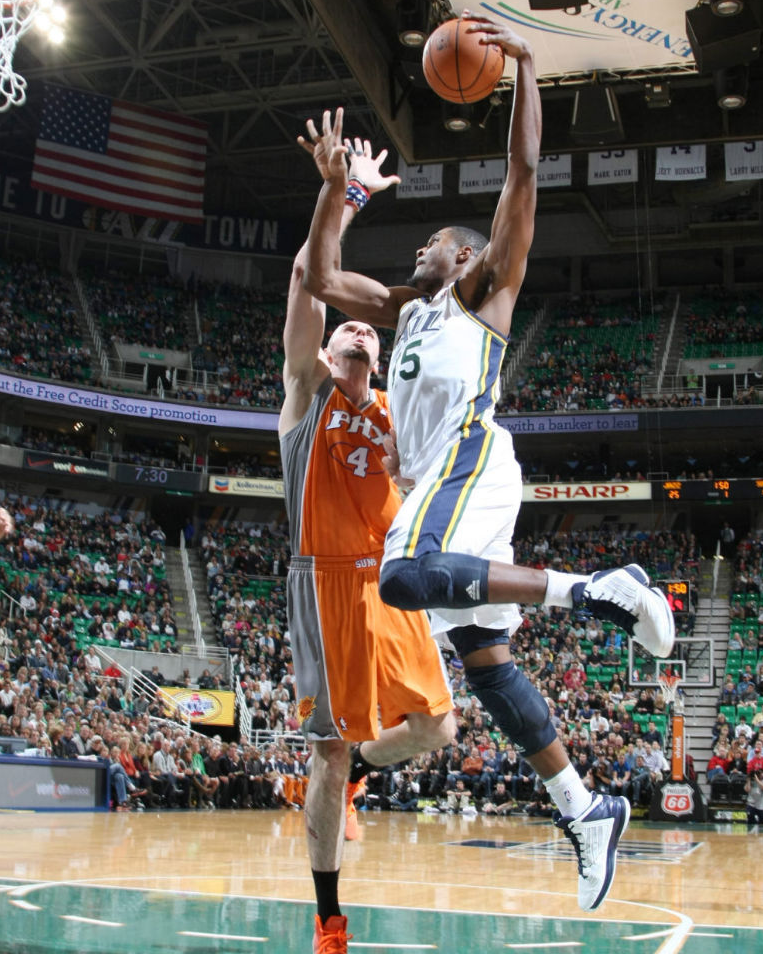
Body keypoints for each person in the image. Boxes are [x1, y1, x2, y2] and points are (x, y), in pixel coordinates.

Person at [299, 9, 675, 914]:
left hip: (469, 463)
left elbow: (523, 172)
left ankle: (600, 590)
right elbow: (318, 277)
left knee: (402, 575)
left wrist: (528, 74)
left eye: (432, 241)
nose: (420, 245)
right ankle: (582, 807)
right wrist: (333, 190)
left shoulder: (481, 293)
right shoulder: (406, 307)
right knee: (485, 658)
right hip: (447, 484)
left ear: (462, 256)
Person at [280, 147, 456, 954]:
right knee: (326, 751)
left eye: (363, 328)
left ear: (380, 356)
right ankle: (328, 918)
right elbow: (308, 277)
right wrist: (343, 191)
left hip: (388, 583)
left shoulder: (393, 411)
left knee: (437, 732)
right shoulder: (306, 395)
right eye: (343, 325)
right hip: (325, 585)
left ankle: (356, 774)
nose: (354, 326)